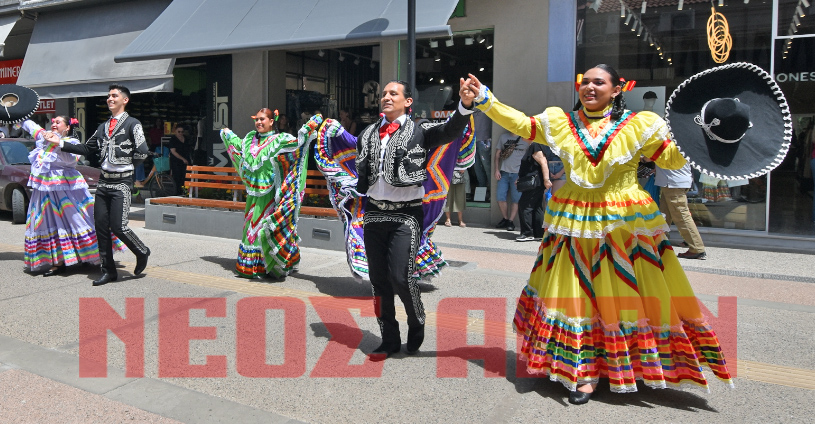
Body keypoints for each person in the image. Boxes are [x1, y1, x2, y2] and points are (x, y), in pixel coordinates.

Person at [464, 65, 732, 404]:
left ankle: (626, 363)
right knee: (577, 295)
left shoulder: (640, 125)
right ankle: (584, 371)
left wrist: (708, 138)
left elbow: (670, 156)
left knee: (625, 294)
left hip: (624, 221)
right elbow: (523, 124)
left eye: (598, 82)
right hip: (574, 218)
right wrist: (485, 100)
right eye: (585, 82)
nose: (589, 87)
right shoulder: (562, 122)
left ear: (617, 89)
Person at [354, 79, 475, 358]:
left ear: (408, 101)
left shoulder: (420, 130)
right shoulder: (368, 133)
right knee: (378, 279)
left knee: (400, 276)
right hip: (373, 214)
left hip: (406, 214)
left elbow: (450, 130)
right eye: (383, 93)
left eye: (393, 93)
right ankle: (389, 338)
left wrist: (465, 106)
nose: (386, 97)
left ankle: (416, 318)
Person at [48, 84, 151, 286]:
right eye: (108, 96)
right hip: (104, 182)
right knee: (101, 227)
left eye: (114, 96)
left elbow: (143, 150)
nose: (109, 99)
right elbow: (86, 148)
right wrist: (59, 143)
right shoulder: (103, 127)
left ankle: (141, 250)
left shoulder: (133, 124)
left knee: (119, 227)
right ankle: (108, 271)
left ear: (125, 100)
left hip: (121, 182)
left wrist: (128, 166)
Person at [220, 108, 320, 279]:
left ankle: (272, 265)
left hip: (272, 195)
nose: (258, 122)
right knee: (251, 228)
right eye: (256, 119)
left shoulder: (280, 140)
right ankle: (255, 267)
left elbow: (297, 145)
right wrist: (227, 134)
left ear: (271, 121)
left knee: (268, 227)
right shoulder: (250, 140)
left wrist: (307, 130)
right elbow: (237, 144)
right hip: (254, 195)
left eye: (262, 119)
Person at [19, 116, 126, 276]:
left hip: (67, 191)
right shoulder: (43, 137)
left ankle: (88, 254)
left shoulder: (72, 142)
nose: (54, 124)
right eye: (53, 122)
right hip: (44, 191)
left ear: (67, 127)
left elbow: (71, 158)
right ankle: (58, 262)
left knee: (77, 220)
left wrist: (55, 141)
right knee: (47, 221)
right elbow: (30, 125)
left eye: (58, 122)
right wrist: (15, 112)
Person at [653, 162, 707, 259]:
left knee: (681, 216)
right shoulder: (681, 146)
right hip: (674, 181)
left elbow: (651, 157)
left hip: (673, 183)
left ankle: (697, 248)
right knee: (665, 214)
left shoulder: (669, 146)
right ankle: (659, 243)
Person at [515, 142, 551, 242]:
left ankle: (527, 233)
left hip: (534, 182)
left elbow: (543, 163)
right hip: (534, 182)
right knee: (537, 207)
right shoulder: (534, 146)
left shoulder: (536, 145)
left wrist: (546, 179)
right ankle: (538, 233)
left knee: (525, 205)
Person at [494, 131, 527, 231]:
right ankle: (505, 218)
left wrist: (523, 174)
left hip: (518, 173)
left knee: (516, 199)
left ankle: (511, 221)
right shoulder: (503, 136)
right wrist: (496, 169)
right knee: (500, 196)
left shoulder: (525, 138)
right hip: (504, 172)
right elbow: (497, 154)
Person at [168, 125, 191, 195]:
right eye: (179, 132)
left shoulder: (186, 138)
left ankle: (184, 191)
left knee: (185, 177)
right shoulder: (173, 139)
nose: (180, 133)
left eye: (182, 132)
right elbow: (173, 151)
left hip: (185, 160)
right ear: (175, 131)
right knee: (177, 177)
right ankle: (177, 193)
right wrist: (182, 159)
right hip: (176, 161)